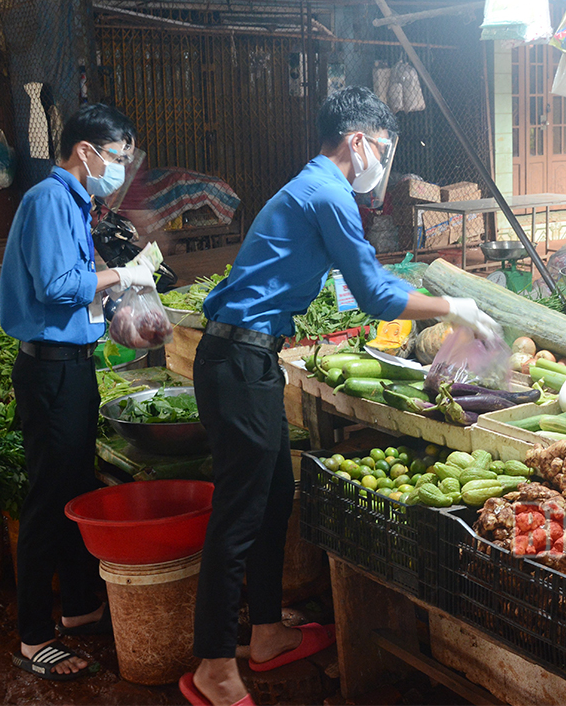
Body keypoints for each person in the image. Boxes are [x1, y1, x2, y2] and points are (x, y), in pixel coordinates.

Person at [180, 86, 500, 706]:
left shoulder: (311, 188)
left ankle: (266, 633)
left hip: (251, 358)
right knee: (239, 517)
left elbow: (367, 281)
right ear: (358, 141)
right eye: (383, 147)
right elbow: (377, 294)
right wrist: (455, 305)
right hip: (236, 362)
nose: (383, 162)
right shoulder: (326, 192)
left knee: (275, 498)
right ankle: (214, 665)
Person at [0, 103, 156, 681]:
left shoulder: (75, 202)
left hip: (72, 364)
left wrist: (113, 303)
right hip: (49, 371)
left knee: (73, 487)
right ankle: (34, 635)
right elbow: (58, 284)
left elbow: (77, 287)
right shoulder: (48, 199)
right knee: (48, 497)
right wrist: (127, 275)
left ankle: (80, 607)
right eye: (115, 156)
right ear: (84, 151)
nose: (119, 167)